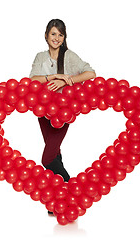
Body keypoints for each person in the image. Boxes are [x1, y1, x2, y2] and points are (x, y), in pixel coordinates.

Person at [29, 19, 96, 185]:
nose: (56, 38)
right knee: (55, 154)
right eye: (53, 34)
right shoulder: (40, 56)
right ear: (46, 36)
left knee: (47, 158)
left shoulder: (69, 56)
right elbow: (32, 80)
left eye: (60, 34)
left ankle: (71, 188)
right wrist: (54, 76)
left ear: (64, 37)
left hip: (63, 112)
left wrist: (66, 81)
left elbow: (90, 73)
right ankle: (58, 201)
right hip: (43, 111)